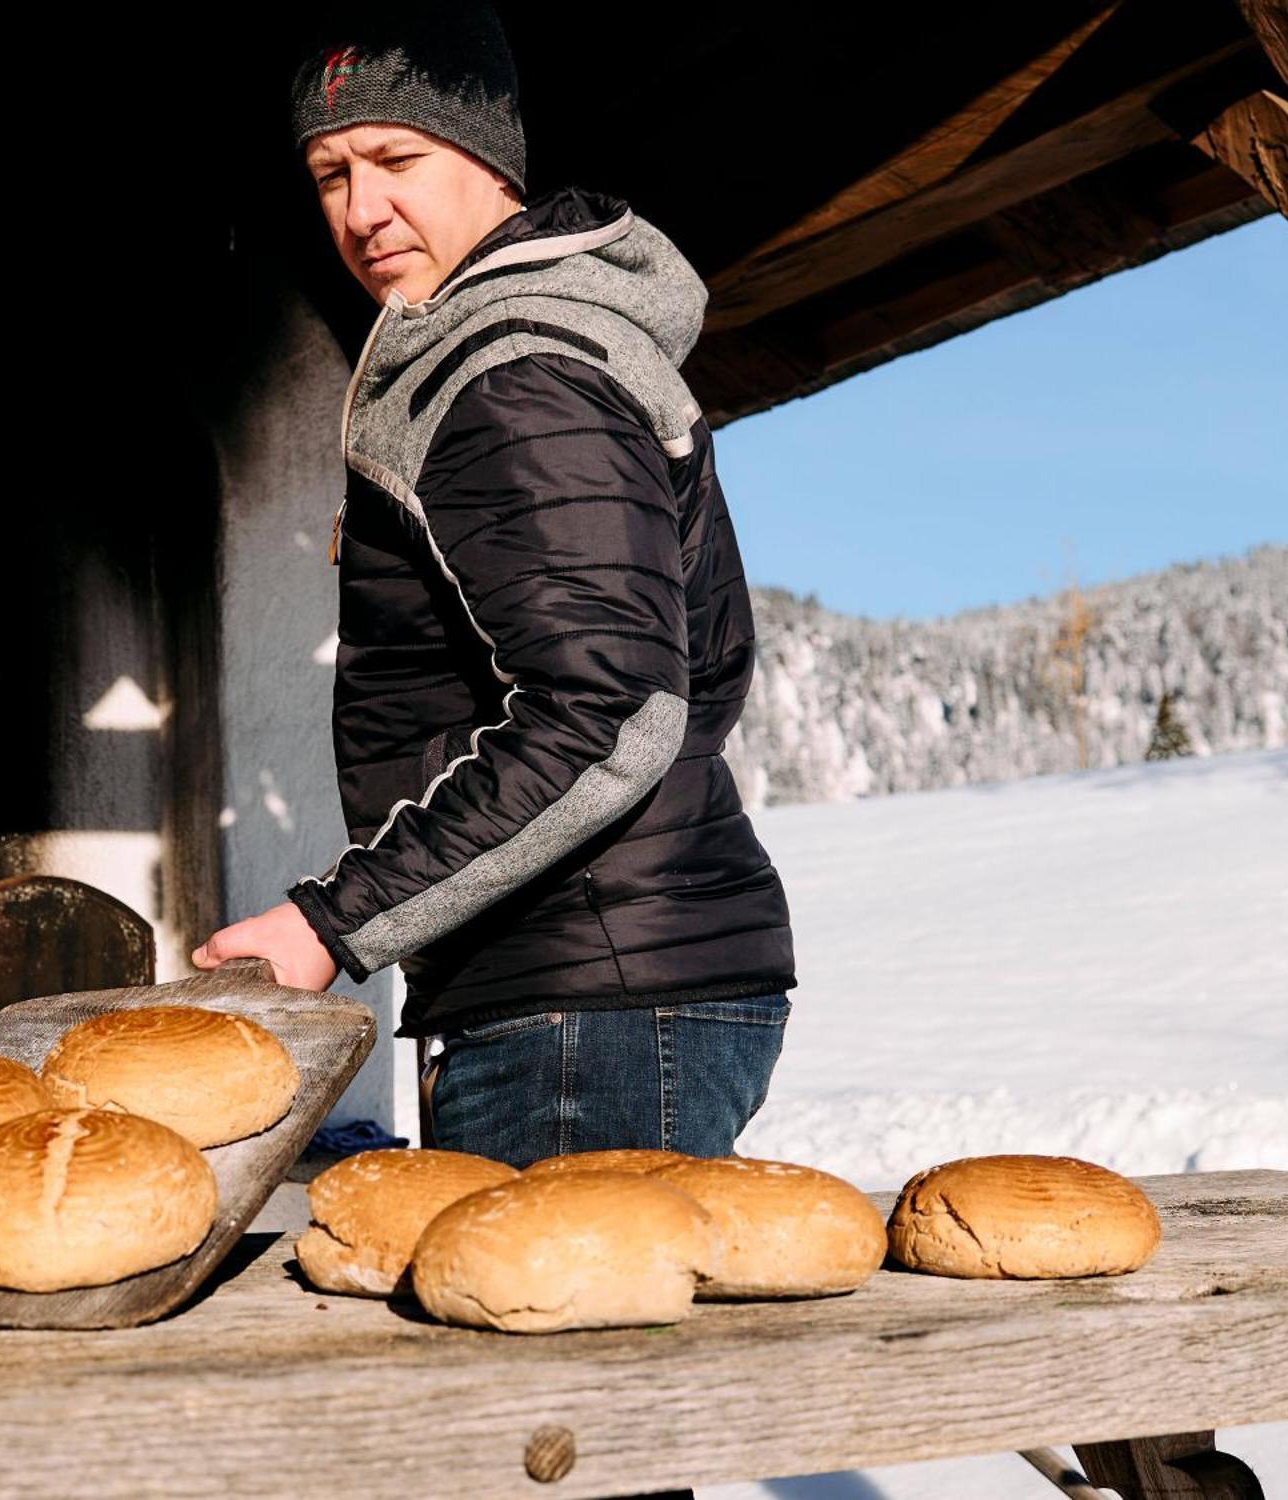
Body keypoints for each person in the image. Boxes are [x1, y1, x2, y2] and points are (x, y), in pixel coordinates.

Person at [192, 2, 796, 1172]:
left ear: (487, 157)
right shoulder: (528, 354)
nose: (361, 210)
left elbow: (611, 709)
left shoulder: (507, 373)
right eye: (329, 175)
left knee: (563, 1350)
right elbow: (694, 671)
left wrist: (334, 922)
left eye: (395, 160)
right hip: (587, 984)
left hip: (585, 1004)